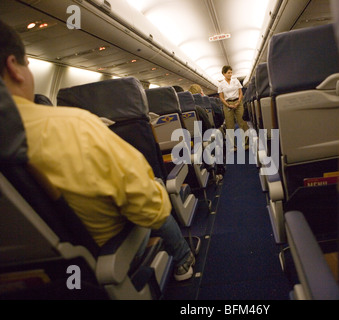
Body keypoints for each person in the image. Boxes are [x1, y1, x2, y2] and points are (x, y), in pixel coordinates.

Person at [0, 20, 195, 282]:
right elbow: (146, 202)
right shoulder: (73, 125)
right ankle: (184, 260)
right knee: (153, 192)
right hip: (108, 255)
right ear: (15, 68)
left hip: (25, 279)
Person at [218, 65, 249, 150]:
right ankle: (233, 145)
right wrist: (227, 105)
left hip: (238, 102)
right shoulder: (221, 84)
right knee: (230, 125)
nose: (230, 74)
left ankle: (246, 142)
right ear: (224, 73)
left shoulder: (236, 81)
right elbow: (221, 97)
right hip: (227, 104)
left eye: (231, 72)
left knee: (242, 122)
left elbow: (240, 92)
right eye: (228, 73)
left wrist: (239, 101)